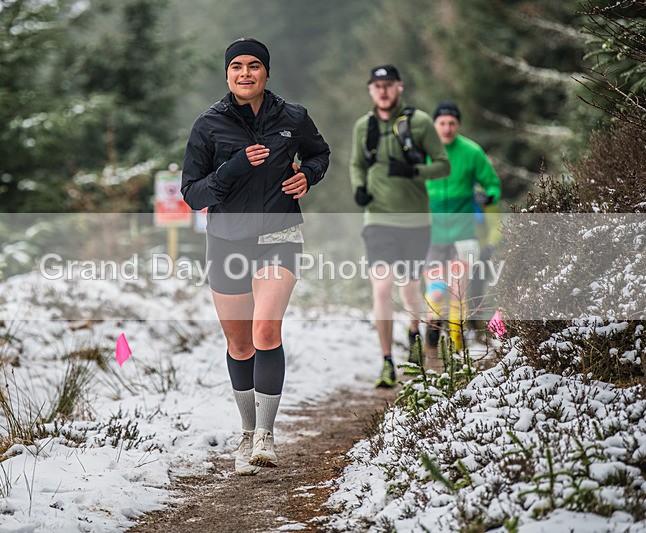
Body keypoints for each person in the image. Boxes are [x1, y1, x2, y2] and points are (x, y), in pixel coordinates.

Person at [181, 38, 330, 475]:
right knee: (240, 342)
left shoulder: (293, 117)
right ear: (227, 74)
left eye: (254, 66)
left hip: (279, 232)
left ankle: (266, 435)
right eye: (237, 67)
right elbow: (192, 194)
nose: (245, 73)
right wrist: (233, 167)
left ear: (267, 72)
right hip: (226, 239)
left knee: (266, 329)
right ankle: (247, 432)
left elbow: (319, 154)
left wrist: (307, 176)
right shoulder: (208, 125)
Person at [349, 65, 450, 388]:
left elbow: (443, 166)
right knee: (381, 287)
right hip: (378, 220)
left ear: (399, 87)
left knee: (409, 289)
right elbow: (356, 163)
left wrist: (413, 172)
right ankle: (387, 361)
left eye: (388, 85)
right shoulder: (363, 127)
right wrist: (358, 186)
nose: (383, 91)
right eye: (377, 85)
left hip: (416, 221)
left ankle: (414, 333)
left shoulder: (419, 123)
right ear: (370, 90)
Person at [423, 101, 501, 350]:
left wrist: (488, 197)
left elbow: (492, 184)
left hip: (465, 233)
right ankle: (433, 325)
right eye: (442, 123)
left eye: (452, 123)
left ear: (458, 125)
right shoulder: (422, 151)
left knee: (458, 291)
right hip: (432, 234)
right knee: (436, 293)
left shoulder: (471, 151)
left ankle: (458, 347)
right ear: (434, 125)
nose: (447, 128)